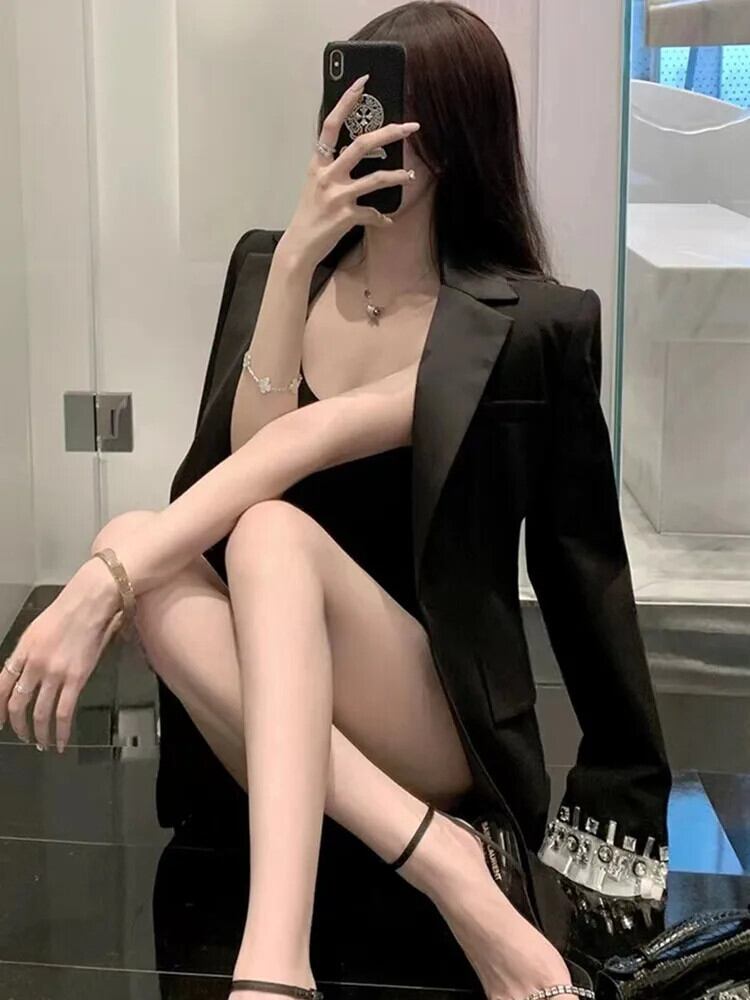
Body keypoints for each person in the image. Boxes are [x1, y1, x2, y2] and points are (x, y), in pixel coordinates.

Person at [0, 3, 671, 999]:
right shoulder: (272, 268)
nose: (367, 129)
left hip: (428, 713)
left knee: (261, 536)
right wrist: (294, 264)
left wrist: (624, 791)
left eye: (394, 109)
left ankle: (274, 961)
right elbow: (240, 468)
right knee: (154, 530)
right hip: (279, 695)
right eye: (354, 102)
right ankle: (440, 861)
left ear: (454, 134)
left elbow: (583, 572)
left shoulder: (522, 324)